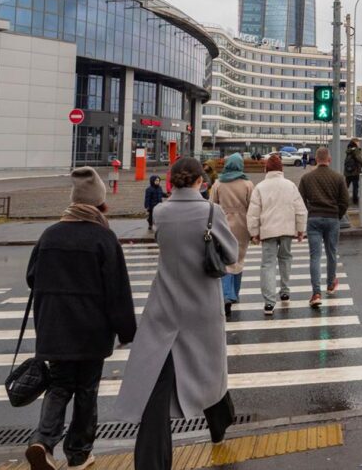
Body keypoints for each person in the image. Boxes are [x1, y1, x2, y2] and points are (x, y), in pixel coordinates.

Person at [115, 157, 237, 470]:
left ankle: (152, 462)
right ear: (200, 181)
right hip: (203, 306)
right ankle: (220, 423)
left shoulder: (160, 212)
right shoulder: (211, 211)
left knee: (157, 386)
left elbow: (161, 240)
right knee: (209, 369)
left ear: (172, 181)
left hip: (165, 304)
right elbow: (231, 253)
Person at [25, 167, 136, 470]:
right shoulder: (103, 238)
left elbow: (32, 277)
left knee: (59, 385)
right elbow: (117, 291)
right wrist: (127, 330)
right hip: (91, 331)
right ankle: (79, 454)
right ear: (100, 203)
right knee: (86, 389)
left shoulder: (50, 235)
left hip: (55, 328)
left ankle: (43, 442)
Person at [247, 154, 307, 315]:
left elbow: (253, 213)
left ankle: (269, 302)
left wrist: (254, 232)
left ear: (266, 169)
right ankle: (285, 291)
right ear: (281, 169)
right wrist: (300, 229)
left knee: (268, 264)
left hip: (268, 230)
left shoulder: (260, 187)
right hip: (287, 229)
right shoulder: (290, 185)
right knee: (286, 258)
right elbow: (300, 209)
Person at [297, 146, 349, 307]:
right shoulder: (338, 177)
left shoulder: (307, 178)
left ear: (316, 159)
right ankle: (331, 285)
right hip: (332, 218)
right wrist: (337, 214)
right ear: (329, 159)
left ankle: (316, 293)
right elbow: (345, 201)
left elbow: (300, 200)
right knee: (331, 253)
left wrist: (310, 212)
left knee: (315, 256)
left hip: (314, 219)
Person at [210, 153, 253, 320]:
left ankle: (227, 295)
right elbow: (252, 206)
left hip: (223, 224)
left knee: (225, 260)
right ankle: (234, 293)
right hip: (243, 225)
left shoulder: (218, 183)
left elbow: (212, 205)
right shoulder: (248, 184)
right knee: (239, 259)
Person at [343, 138, 362, 205]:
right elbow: (359, 159)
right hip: (355, 172)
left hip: (348, 171)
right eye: (358, 142)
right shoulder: (355, 149)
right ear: (355, 142)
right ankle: (355, 201)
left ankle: (342, 199)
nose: (359, 144)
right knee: (355, 187)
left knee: (346, 186)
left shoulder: (349, 149)